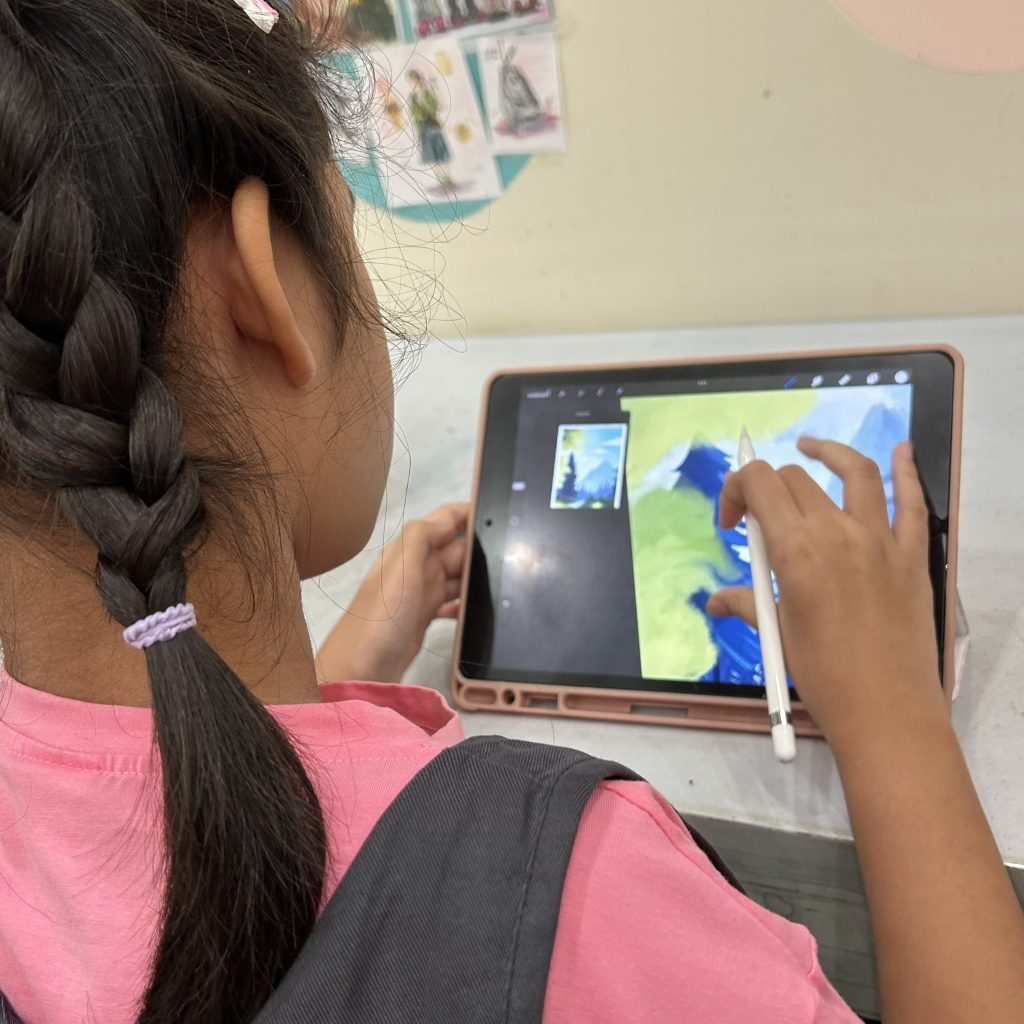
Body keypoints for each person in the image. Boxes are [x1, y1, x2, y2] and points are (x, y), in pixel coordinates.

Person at [0, 2, 1021, 1023]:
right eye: (349, 224)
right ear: (260, 290)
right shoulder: (576, 895)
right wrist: (894, 717)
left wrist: (350, 671)